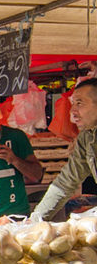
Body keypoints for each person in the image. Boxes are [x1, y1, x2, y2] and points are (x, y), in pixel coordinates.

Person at [34, 79, 97, 219]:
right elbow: (65, 182)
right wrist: (35, 220)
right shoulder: (86, 137)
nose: (72, 111)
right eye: (73, 103)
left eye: (79, 103)